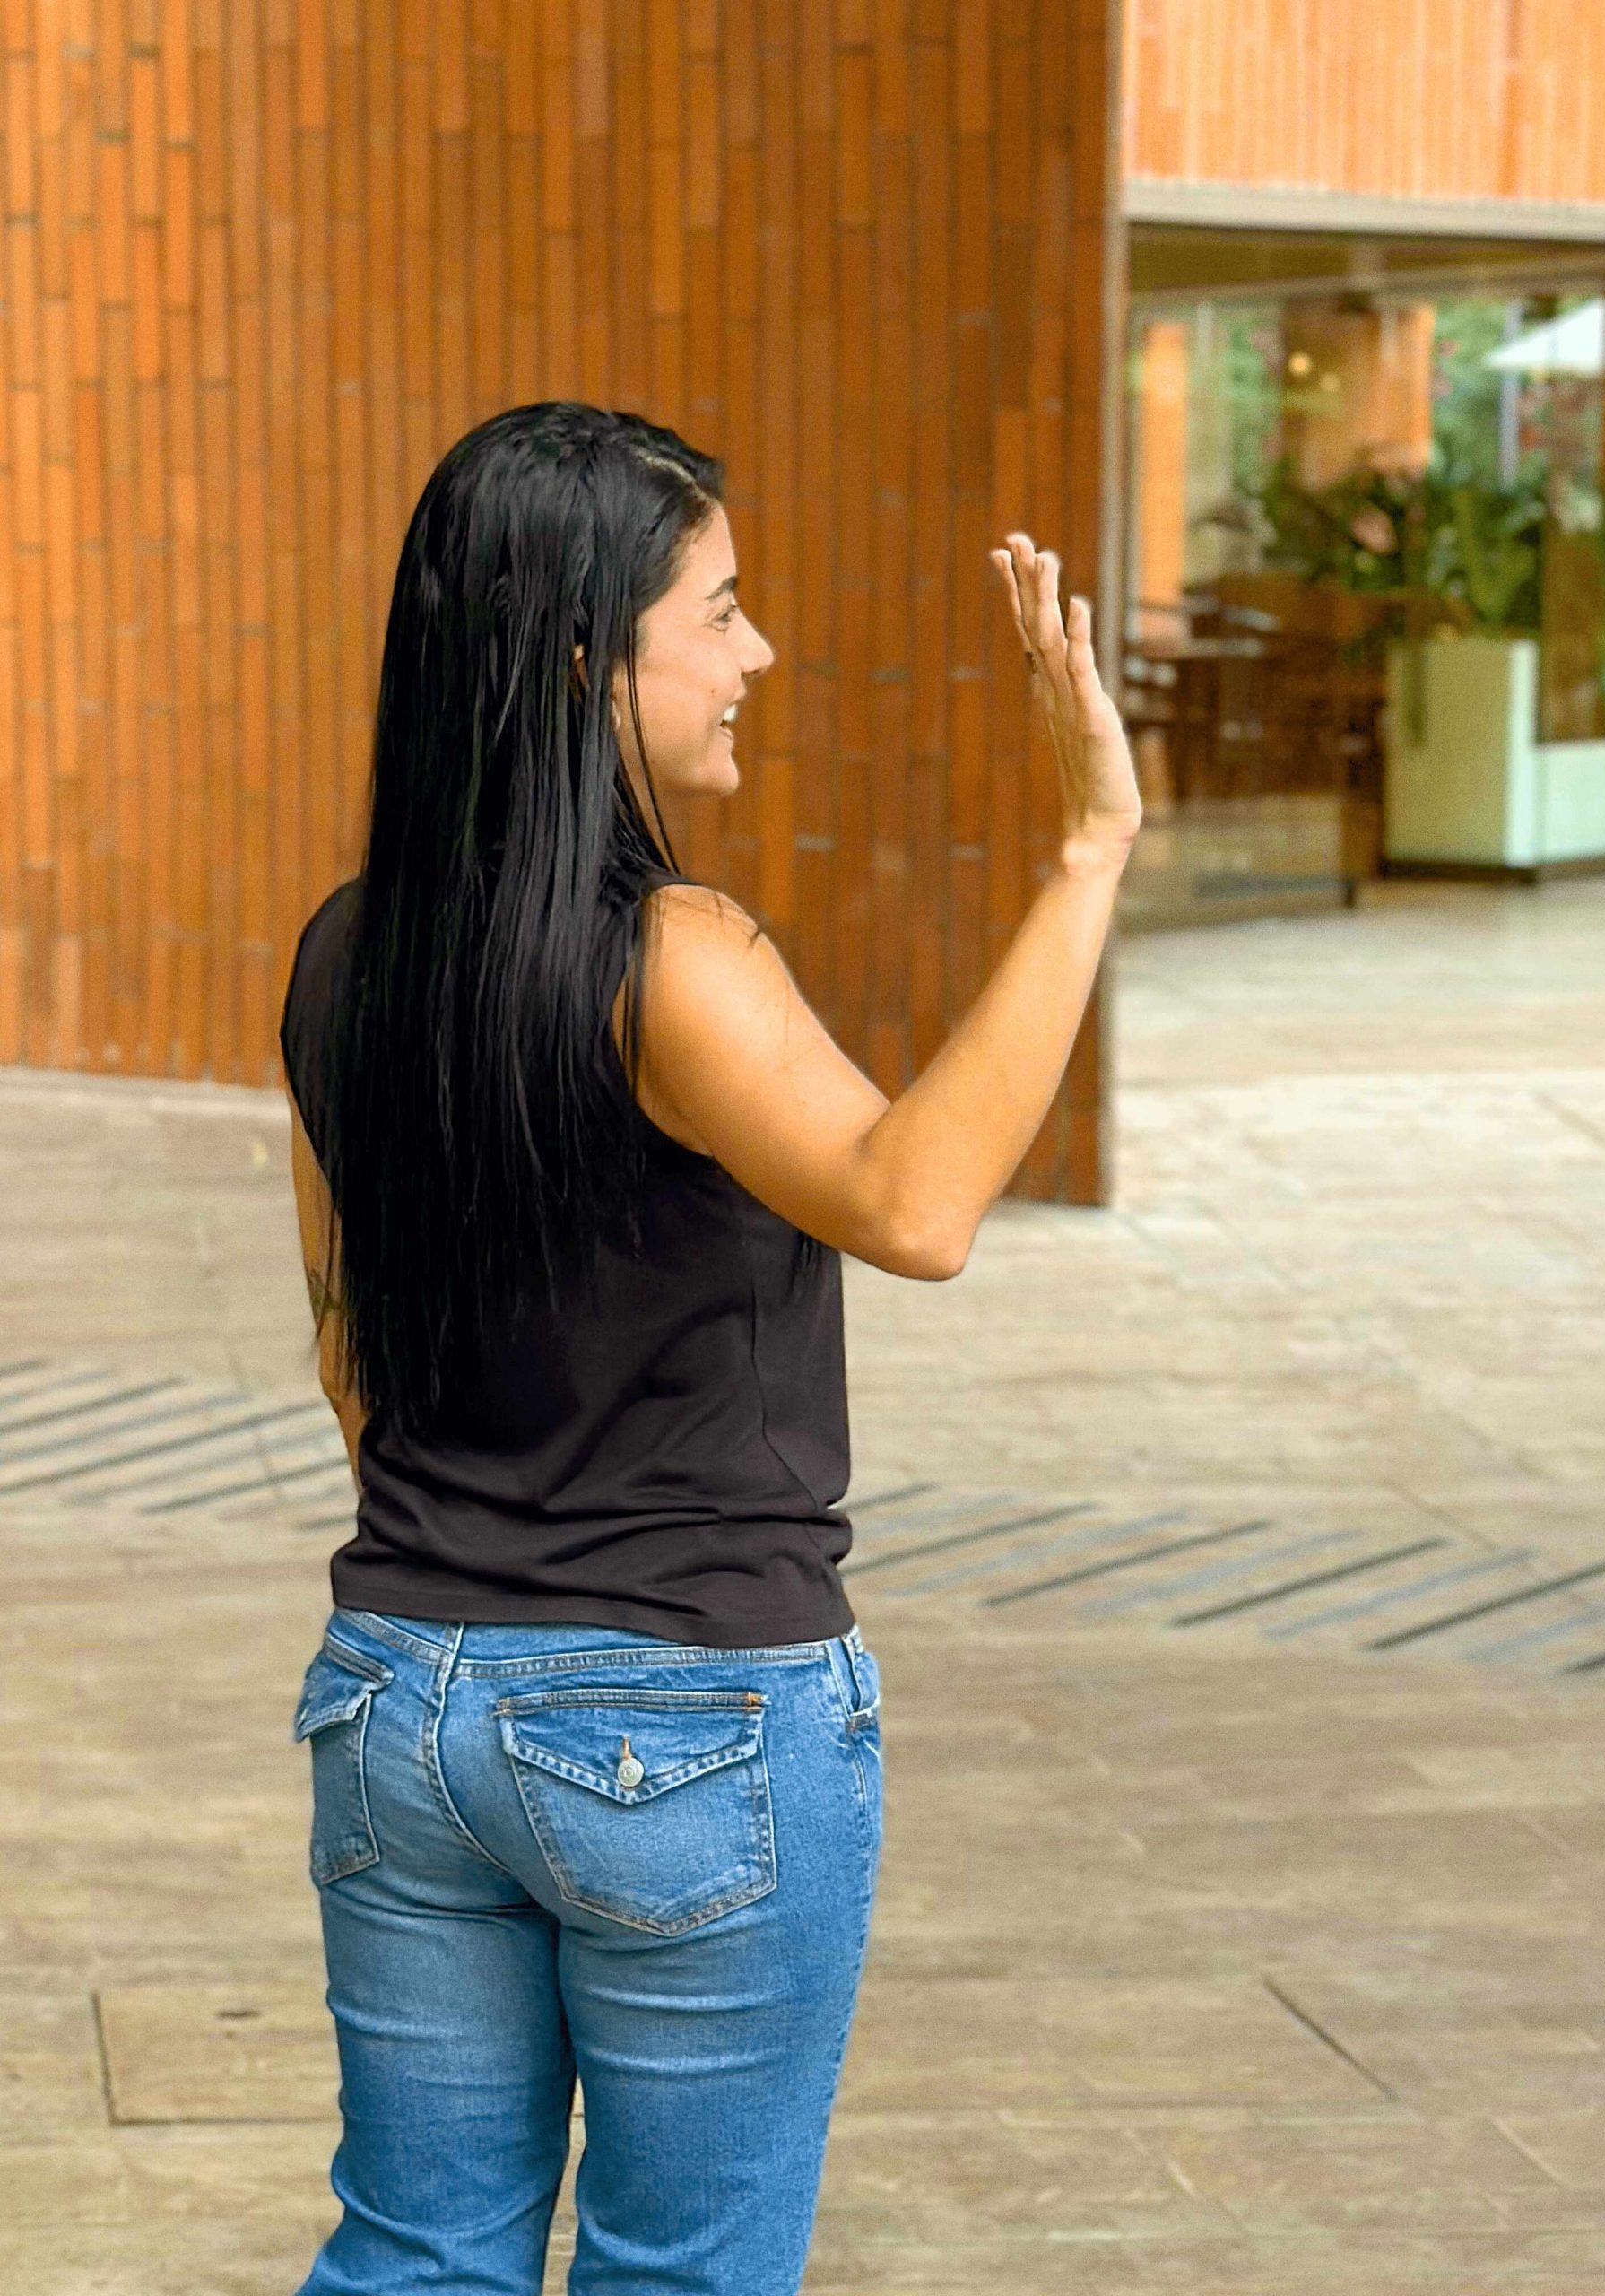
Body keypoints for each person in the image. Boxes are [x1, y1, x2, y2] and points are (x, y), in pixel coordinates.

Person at [277, 401, 1141, 2296]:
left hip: (400, 1697)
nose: (758, 656)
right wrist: (1088, 848)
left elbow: (355, 1352)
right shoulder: (677, 957)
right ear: (592, 656)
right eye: (724, 613)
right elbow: (915, 1203)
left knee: (417, 2256)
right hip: (683, 1714)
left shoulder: (349, 954)